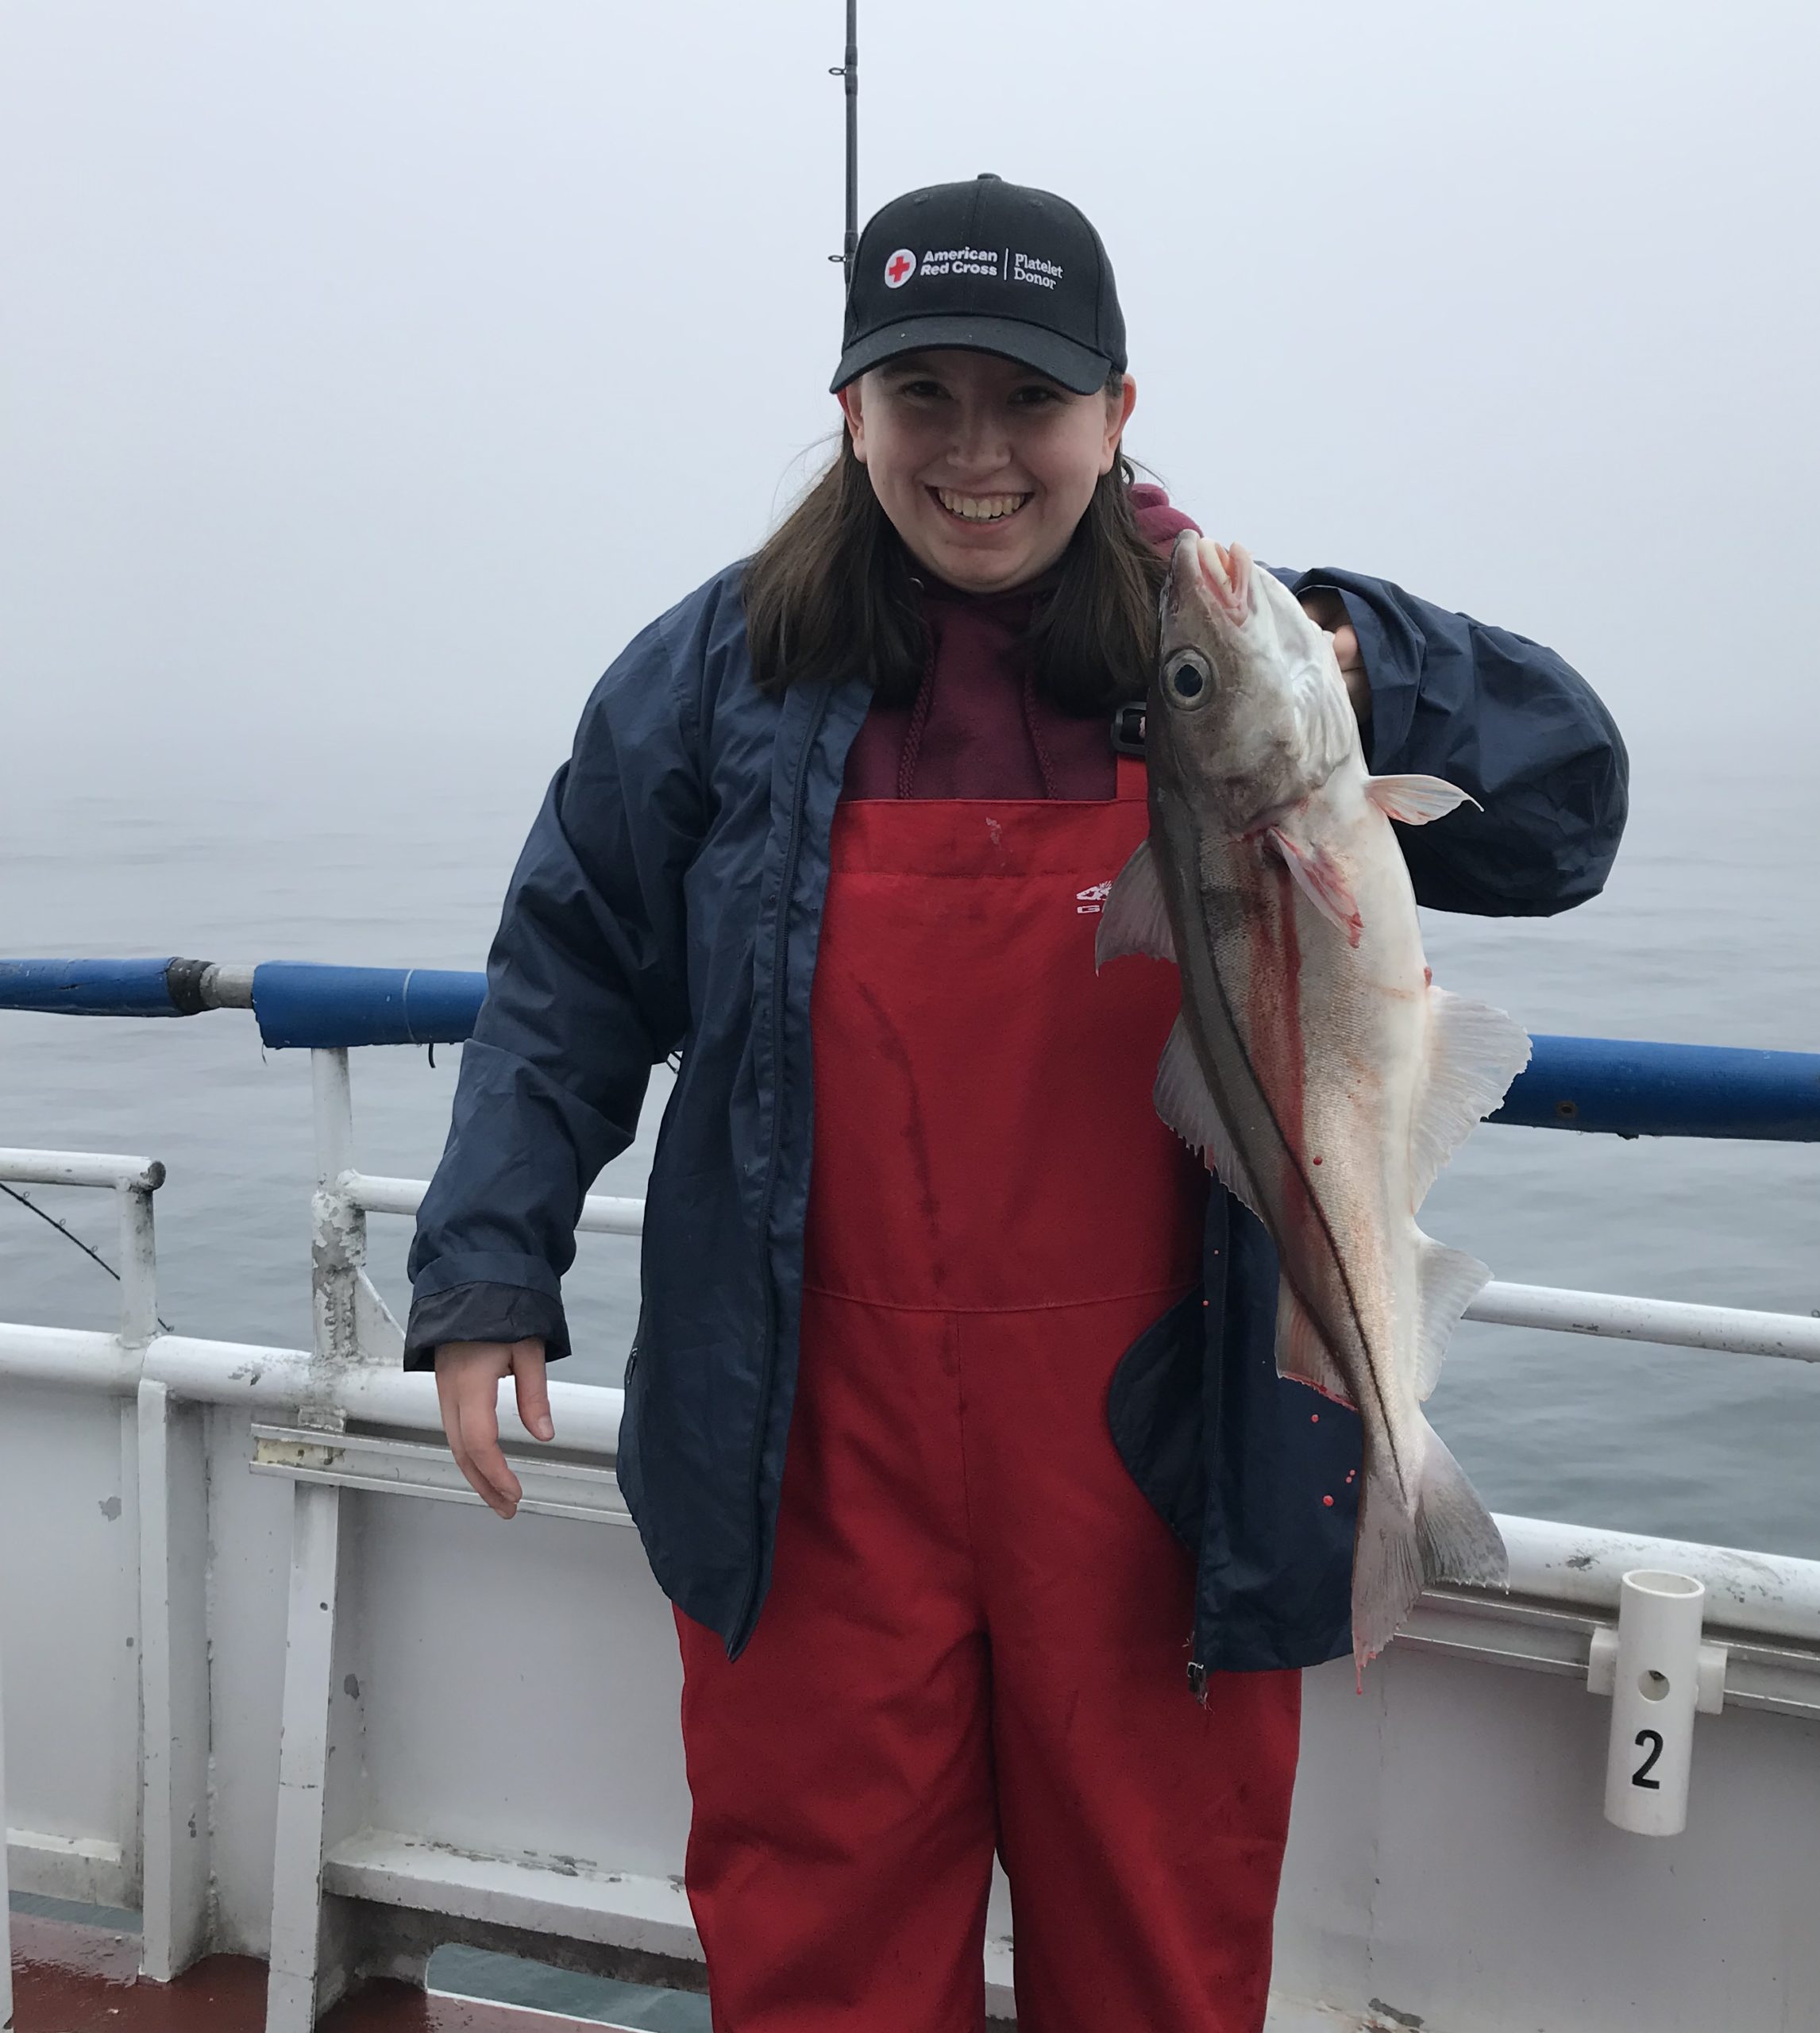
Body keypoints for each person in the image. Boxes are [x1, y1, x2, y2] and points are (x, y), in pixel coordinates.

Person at [405, 174, 1629, 2033]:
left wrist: (1368, 655)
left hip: (1158, 1458)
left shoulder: (1229, 655)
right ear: (851, 411)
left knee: (1154, 1957)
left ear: (1116, 410)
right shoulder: (719, 672)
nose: (976, 455)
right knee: (818, 1957)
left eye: (1030, 401)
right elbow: (568, 966)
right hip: (809, 1443)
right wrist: (490, 1262)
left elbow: (1565, 814)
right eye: (924, 397)